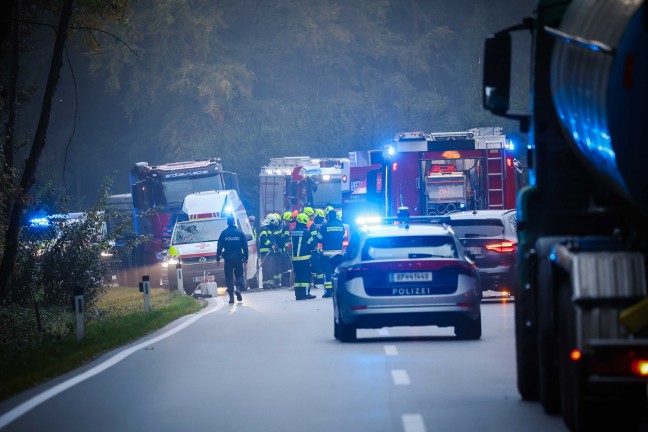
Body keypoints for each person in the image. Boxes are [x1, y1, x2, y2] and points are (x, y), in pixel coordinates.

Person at [216, 216, 249, 304]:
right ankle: (238, 289)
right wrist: (246, 257)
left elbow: (219, 247)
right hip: (238, 257)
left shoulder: (224, 233)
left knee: (229, 276)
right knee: (239, 275)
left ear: (227, 223)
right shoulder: (240, 233)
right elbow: (245, 246)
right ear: (234, 222)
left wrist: (218, 258)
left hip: (228, 258)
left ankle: (231, 297)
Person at [319, 209, 345, 298]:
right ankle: (338, 291)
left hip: (327, 253)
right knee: (337, 272)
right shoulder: (341, 226)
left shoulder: (324, 226)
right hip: (338, 253)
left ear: (328, 216)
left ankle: (328, 292)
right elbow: (343, 237)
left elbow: (319, 238)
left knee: (328, 273)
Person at [290, 213, 317, 300]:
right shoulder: (306, 233)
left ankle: (298, 294)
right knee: (306, 276)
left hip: (295, 259)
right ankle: (305, 294)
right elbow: (312, 244)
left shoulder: (293, 232)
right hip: (305, 258)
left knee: (298, 276)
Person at [258, 213, 279, 289]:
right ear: (270, 222)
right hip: (265, 252)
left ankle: (270, 283)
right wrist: (271, 245)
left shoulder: (269, 229)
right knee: (267, 268)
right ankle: (266, 283)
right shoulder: (264, 228)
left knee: (271, 268)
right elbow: (263, 239)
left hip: (270, 252)